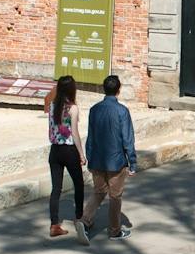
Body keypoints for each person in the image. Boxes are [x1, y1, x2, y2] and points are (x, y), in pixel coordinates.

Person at [80, 74, 136, 241]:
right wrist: (132, 162)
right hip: (116, 161)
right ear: (119, 90)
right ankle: (114, 230)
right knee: (115, 196)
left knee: (98, 192)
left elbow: (91, 136)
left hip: (97, 158)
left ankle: (85, 220)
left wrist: (89, 157)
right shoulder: (122, 111)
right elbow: (127, 139)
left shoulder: (94, 109)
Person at [44, 75, 84, 239]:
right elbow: (74, 133)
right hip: (69, 150)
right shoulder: (73, 108)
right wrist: (81, 153)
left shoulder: (52, 106)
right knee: (79, 184)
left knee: (56, 188)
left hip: (55, 150)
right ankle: (79, 218)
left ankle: (54, 224)